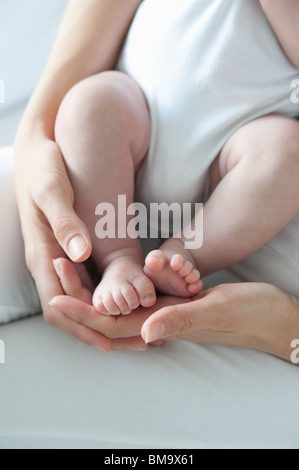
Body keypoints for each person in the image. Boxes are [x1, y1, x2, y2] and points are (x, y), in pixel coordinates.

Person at [13, 0, 299, 360]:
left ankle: (184, 254)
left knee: (286, 154)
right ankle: (117, 256)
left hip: (234, 147)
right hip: (139, 113)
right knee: (86, 105)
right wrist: (34, 129)